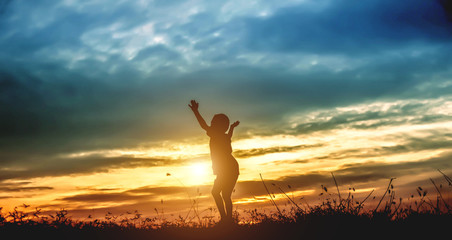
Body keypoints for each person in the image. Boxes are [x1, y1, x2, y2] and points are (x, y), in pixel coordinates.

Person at [188, 100, 240, 224]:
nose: (210, 124)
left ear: (218, 126)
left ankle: (226, 220)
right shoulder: (224, 136)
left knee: (217, 192)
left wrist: (196, 111)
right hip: (231, 168)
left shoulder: (216, 134)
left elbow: (203, 124)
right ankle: (227, 220)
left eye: (213, 122)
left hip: (227, 168)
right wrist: (232, 127)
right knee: (225, 195)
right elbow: (229, 135)